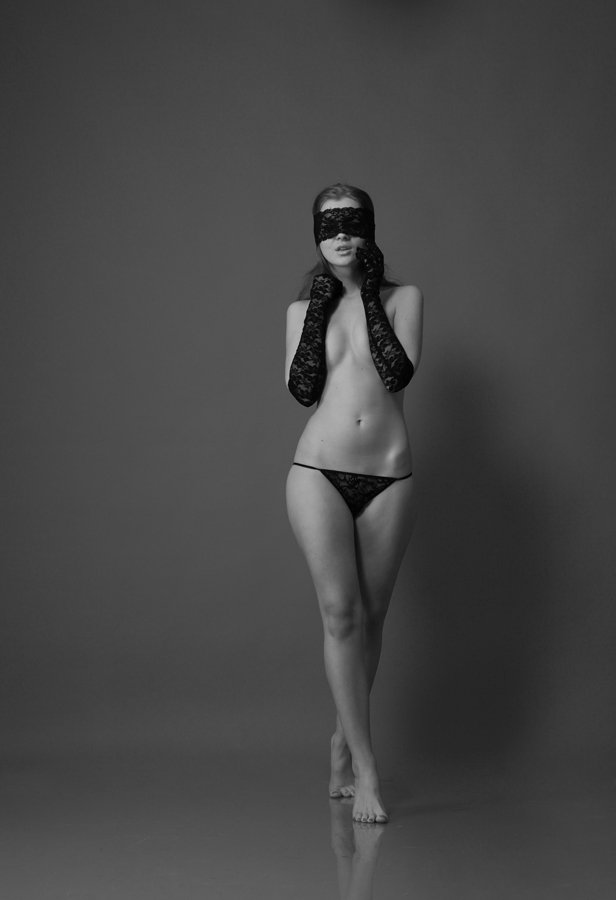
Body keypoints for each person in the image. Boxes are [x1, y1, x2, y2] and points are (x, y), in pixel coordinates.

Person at [285, 183, 423, 824]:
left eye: (352, 222)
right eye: (329, 224)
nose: (341, 234)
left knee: (372, 617)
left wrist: (365, 291)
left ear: (369, 228)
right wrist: (321, 305)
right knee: (340, 615)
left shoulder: (403, 299)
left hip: (389, 477)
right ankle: (366, 769)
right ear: (316, 233)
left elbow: (397, 372)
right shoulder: (300, 310)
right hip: (317, 472)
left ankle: (343, 739)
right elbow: (302, 388)